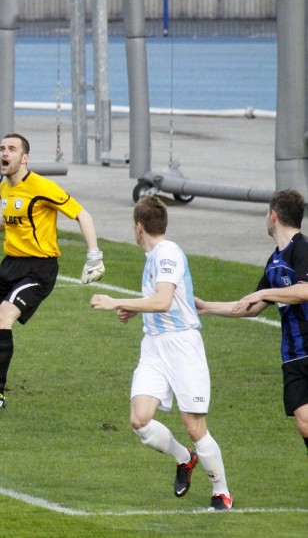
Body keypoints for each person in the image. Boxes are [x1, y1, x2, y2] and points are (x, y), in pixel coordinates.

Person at [0, 134, 104, 412]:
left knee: (2, 318)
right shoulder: (4, 187)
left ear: (24, 157)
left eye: (12, 149)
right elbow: (10, 214)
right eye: (2, 148)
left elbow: (82, 214)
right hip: (9, 265)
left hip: (39, 268)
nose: (4, 153)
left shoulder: (43, 187)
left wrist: (94, 255)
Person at [90, 195, 233, 511]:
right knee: (140, 419)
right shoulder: (153, 256)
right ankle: (185, 459)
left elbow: (164, 300)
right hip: (154, 346)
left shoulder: (167, 253)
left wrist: (117, 302)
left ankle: (221, 492)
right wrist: (134, 310)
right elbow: (159, 301)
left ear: (138, 227)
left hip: (182, 347)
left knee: (195, 426)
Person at [194, 188, 308, 456]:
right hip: (293, 356)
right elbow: (249, 307)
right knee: (304, 423)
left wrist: (264, 292)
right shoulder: (274, 262)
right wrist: (207, 307)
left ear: (273, 216)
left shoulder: (302, 249)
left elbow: (305, 290)